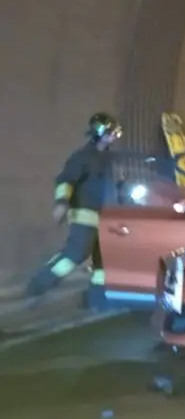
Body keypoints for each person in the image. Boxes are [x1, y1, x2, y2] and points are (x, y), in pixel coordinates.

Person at [26, 113, 123, 308]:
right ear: (99, 132)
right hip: (84, 213)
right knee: (75, 254)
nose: (114, 136)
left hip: (107, 217)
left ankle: (97, 299)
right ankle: (39, 284)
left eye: (116, 133)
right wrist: (61, 202)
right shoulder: (82, 157)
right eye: (111, 132)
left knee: (103, 262)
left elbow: (117, 185)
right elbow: (66, 181)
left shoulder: (110, 160)